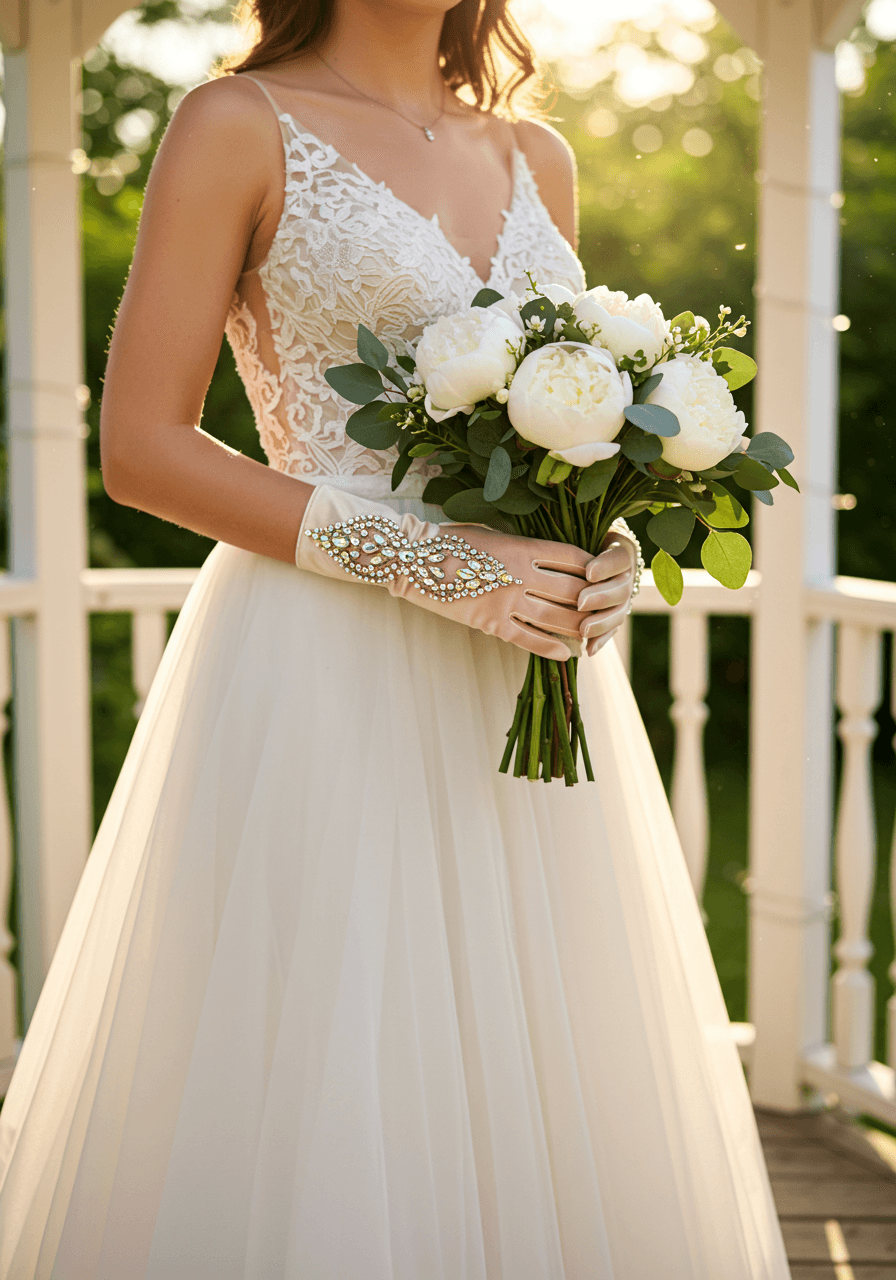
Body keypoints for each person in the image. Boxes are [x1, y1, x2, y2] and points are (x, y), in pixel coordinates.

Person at [0, 0, 791, 1275]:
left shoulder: (535, 155)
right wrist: (438, 568)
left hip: (519, 675)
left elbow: (561, 426)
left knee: (538, 1052)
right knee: (337, 1044)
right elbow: (141, 448)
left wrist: (601, 543)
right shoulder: (236, 122)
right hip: (323, 664)